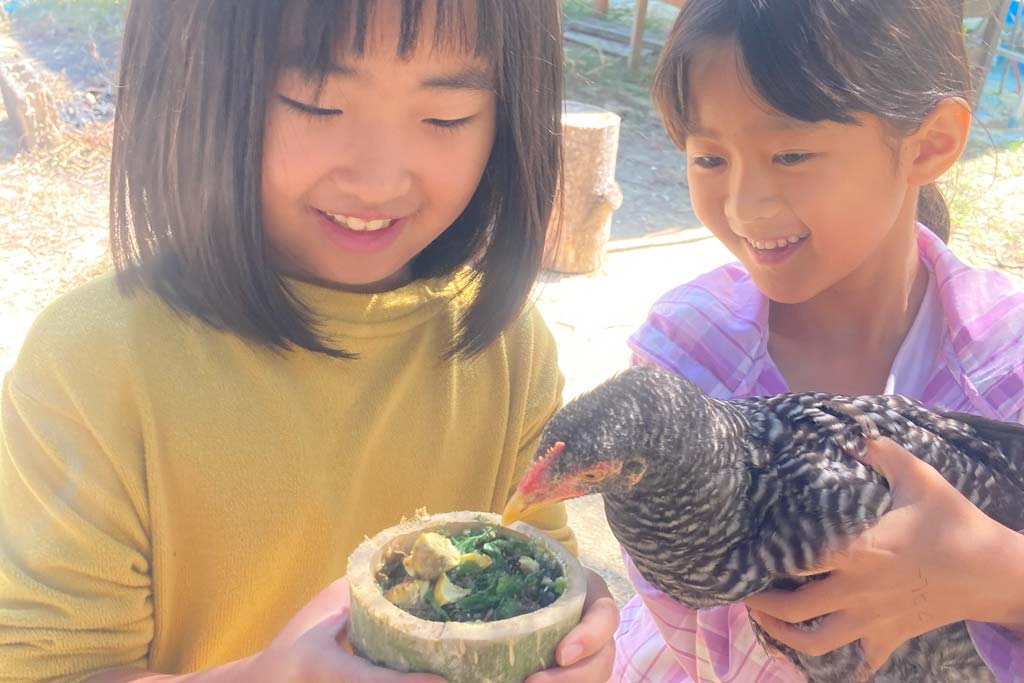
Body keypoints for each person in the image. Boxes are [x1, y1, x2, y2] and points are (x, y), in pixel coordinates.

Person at [0, 1, 618, 682]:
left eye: (447, 116)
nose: (379, 179)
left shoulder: (509, 349)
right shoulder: (90, 365)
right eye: (316, 102)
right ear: (187, 81)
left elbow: (535, 547)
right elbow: (47, 665)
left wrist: (570, 626)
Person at [610, 1, 1024, 681]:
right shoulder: (686, 356)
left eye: (791, 153)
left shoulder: (1010, 357)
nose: (746, 206)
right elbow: (697, 631)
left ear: (928, 144)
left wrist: (1002, 576)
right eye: (709, 157)